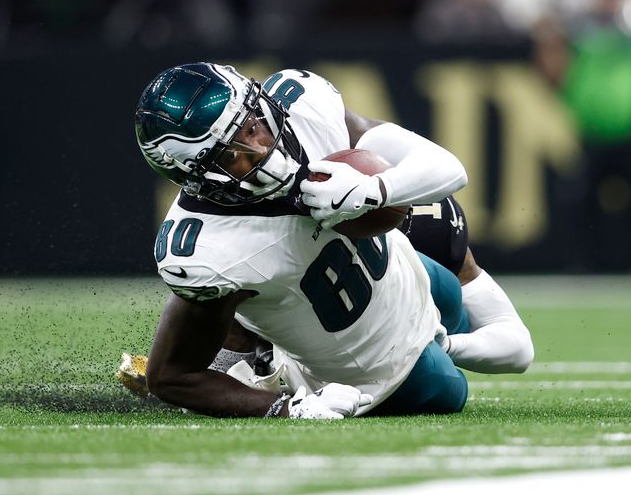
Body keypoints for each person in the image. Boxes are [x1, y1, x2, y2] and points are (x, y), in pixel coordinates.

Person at [132, 62, 530, 419]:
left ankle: (264, 363)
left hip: (408, 272)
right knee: (446, 387)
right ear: (199, 177)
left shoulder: (303, 109)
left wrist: (375, 191)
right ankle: (258, 365)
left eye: (252, 126)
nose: (258, 147)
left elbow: (446, 169)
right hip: (373, 369)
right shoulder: (208, 247)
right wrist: (289, 408)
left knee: (437, 223)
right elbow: (171, 375)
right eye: (231, 154)